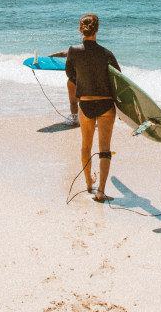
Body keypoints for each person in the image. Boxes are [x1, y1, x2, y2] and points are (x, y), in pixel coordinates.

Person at [64, 14, 120, 203]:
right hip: (106, 105)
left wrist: (83, 85)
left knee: (86, 146)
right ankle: (101, 191)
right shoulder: (106, 53)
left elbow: (70, 74)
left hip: (85, 103)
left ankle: (88, 184)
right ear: (97, 30)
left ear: (81, 29)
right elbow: (118, 80)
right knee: (104, 149)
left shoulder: (73, 51)